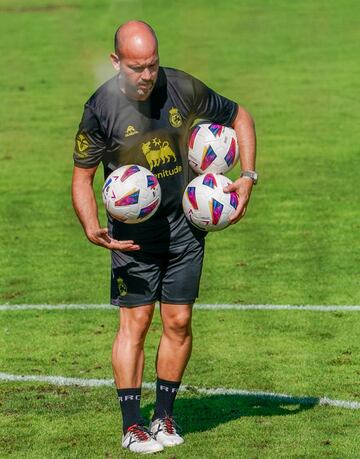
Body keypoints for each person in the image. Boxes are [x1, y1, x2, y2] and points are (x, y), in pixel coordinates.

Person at [72, 20, 257, 454]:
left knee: (178, 321)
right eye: (137, 67)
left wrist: (247, 176)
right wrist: (89, 224)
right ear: (116, 62)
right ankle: (132, 425)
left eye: (152, 65)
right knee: (134, 323)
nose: (146, 76)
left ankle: (163, 416)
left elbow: (240, 116)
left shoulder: (181, 88)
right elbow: (82, 177)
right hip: (132, 236)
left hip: (185, 225)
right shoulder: (100, 108)